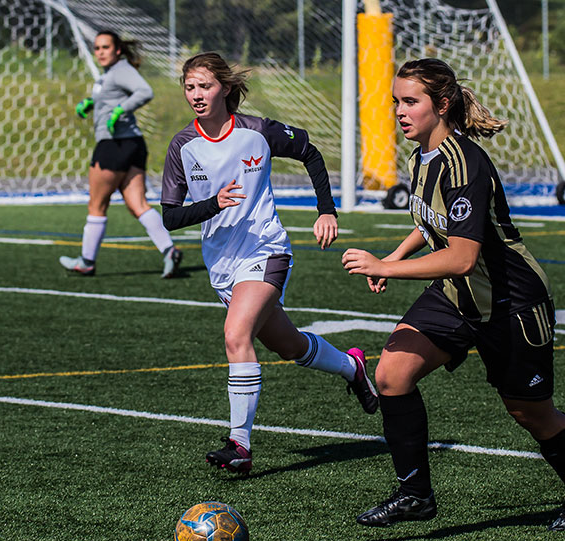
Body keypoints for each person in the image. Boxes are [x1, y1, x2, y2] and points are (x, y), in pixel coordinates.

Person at [341, 58, 565, 531]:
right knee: (392, 374)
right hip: (457, 296)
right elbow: (432, 224)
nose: (400, 112)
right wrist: (396, 254)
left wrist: (387, 267)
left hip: (512, 303)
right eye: (396, 102)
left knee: (530, 413)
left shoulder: (465, 165)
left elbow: (464, 255)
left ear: (441, 104)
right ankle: (415, 494)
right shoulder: (421, 153)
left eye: (411, 102)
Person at [160, 52, 378, 474]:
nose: (196, 95)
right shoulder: (182, 146)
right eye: (189, 87)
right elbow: (169, 216)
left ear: (224, 87)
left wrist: (326, 210)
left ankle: (239, 444)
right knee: (290, 346)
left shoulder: (257, 131)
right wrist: (212, 204)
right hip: (222, 266)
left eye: (204, 86)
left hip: (266, 251)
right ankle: (353, 367)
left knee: (236, 333)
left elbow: (311, 153)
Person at [59, 30, 183, 279]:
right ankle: (169, 250)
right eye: (97, 48)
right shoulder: (110, 75)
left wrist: (119, 110)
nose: (100, 52)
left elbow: (144, 91)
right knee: (138, 205)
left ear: (117, 50)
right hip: (133, 144)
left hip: (113, 145)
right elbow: (116, 95)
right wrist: (93, 103)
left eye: (105, 47)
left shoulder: (121, 70)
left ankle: (86, 261)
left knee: (96, 205)